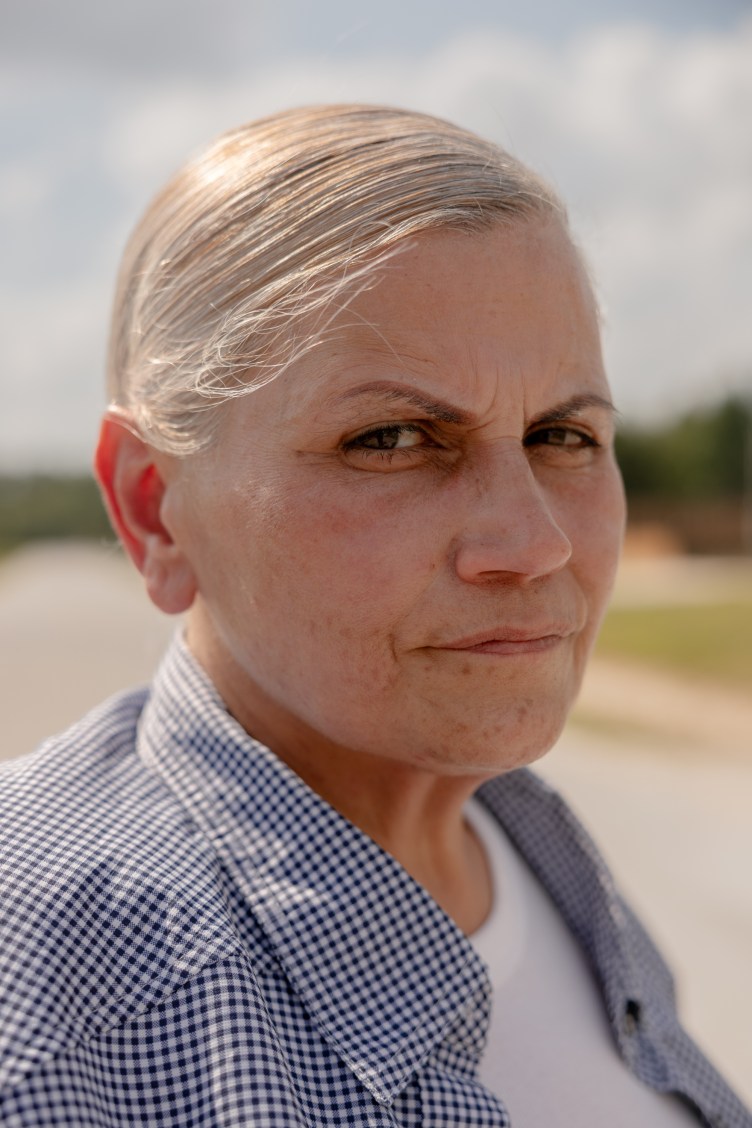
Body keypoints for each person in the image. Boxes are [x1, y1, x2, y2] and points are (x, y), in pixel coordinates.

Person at [0, 105, 748, 1128]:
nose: (534, 544)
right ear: (151, 507)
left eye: (562, 434)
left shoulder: (527, 851)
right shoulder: (49, 1028)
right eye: (392, 439)